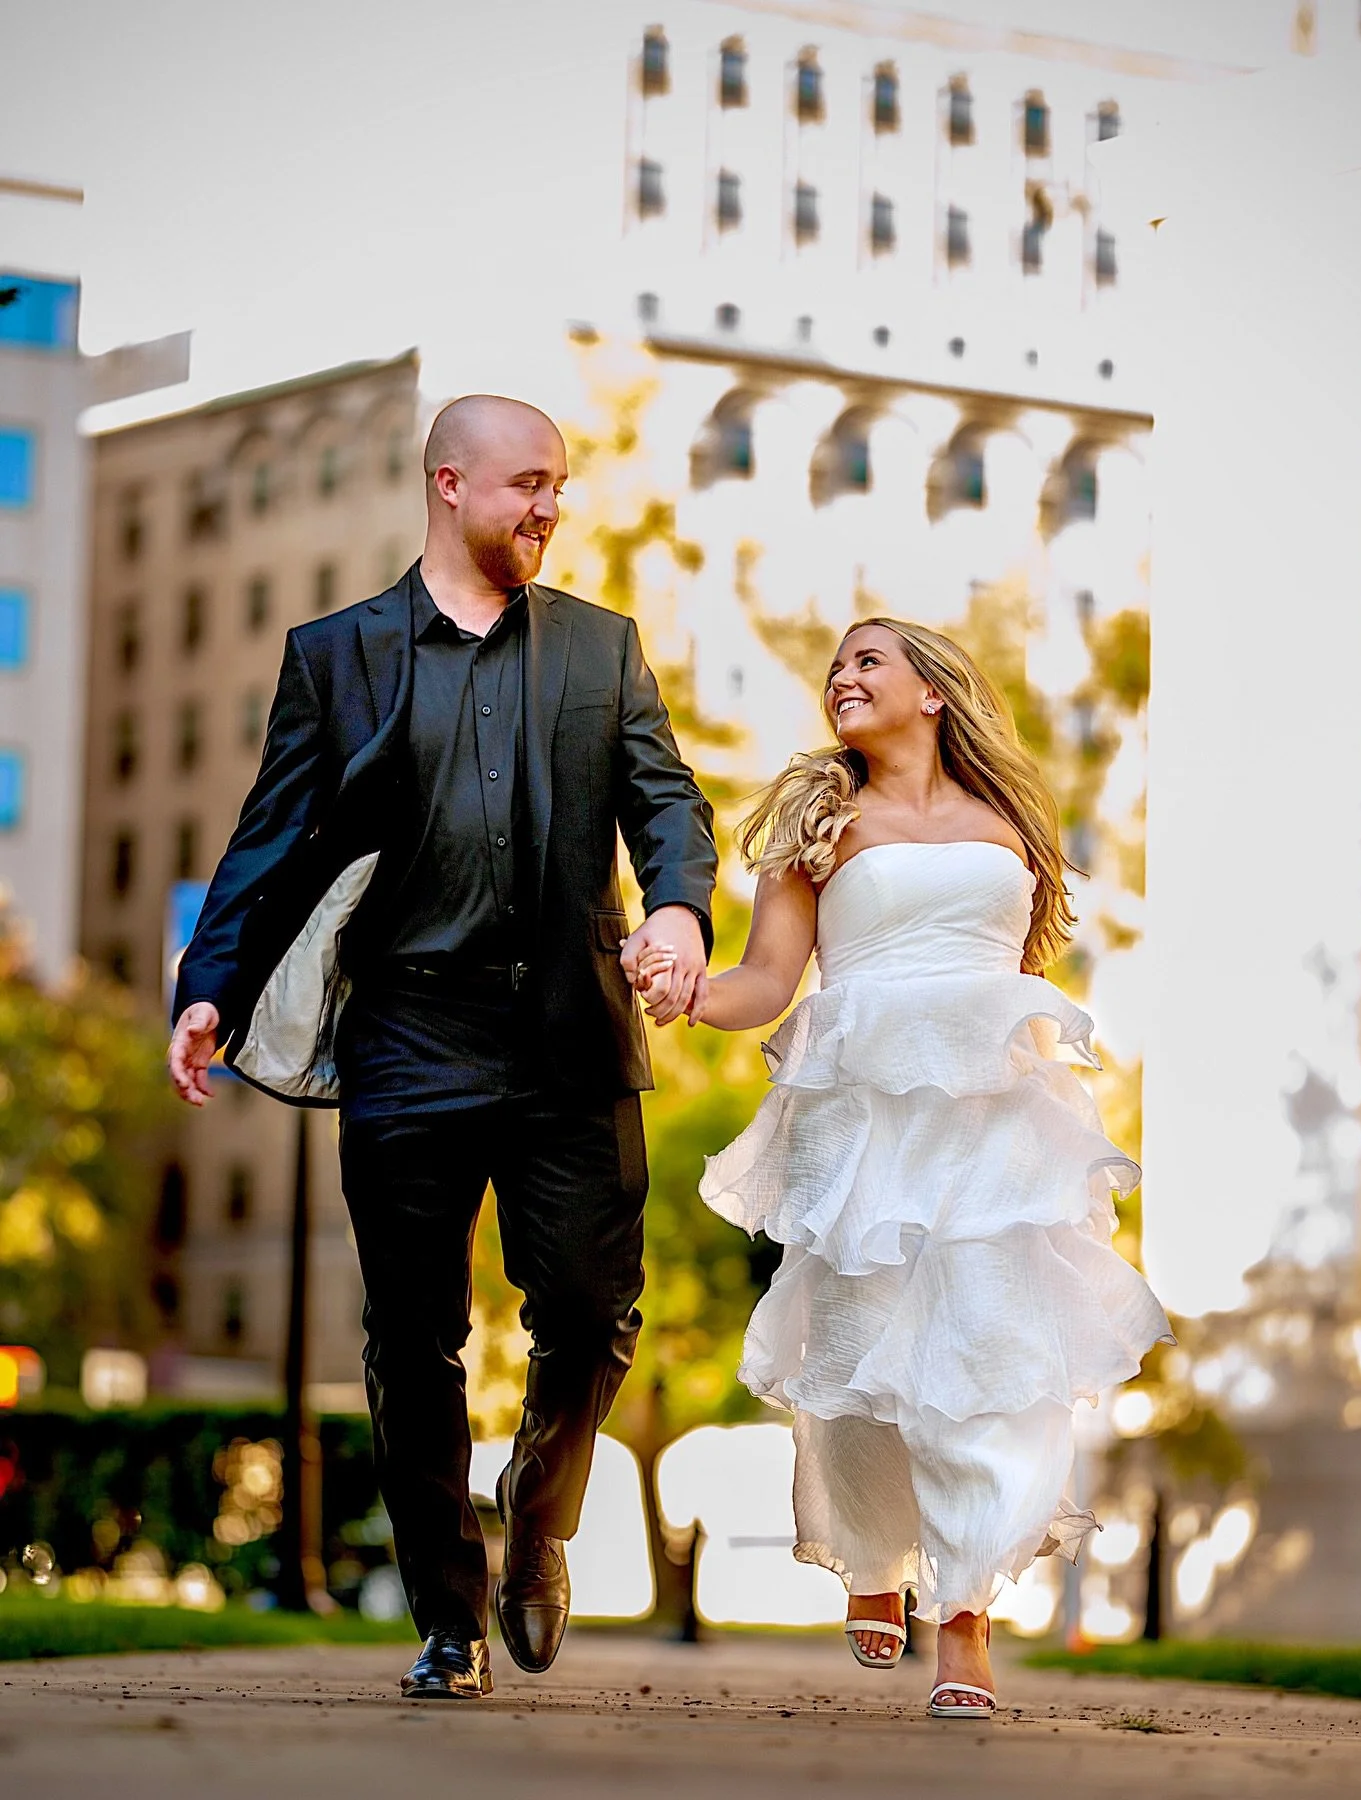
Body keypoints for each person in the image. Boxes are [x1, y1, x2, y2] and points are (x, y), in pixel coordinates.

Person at [167, 395, 717, 1700]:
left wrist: (682, 911)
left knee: (587, 1309)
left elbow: (665, 798)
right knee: (411, 1338)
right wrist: (211, 988)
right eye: (530, 482)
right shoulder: (336, 654)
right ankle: (449, 1621)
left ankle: (540, 1496)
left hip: (570, 1030)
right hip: (410, 1032)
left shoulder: (602, 648)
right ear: (450, 483)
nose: (549, 507)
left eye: (561, 487)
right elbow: (269, 837)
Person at [627, 617, 1170, 1720]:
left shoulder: (1011, 819)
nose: (844, 676)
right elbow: (768, 983)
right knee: (862, 1349)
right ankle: (875, 1552)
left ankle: (963, 1619)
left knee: (987, 1354)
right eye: (836, 666)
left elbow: (1005, 977)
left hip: (988, 1117)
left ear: (933, 690)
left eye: (868, 660)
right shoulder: (817, 826)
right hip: (858, 1112)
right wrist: (681, 987)